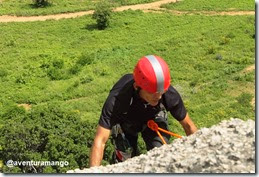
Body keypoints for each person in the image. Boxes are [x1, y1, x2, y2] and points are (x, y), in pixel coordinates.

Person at [89, 55, 198, 167]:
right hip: (125, 122)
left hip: (154, 118)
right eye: (153, 92)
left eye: (161, 91)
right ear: (137, 87)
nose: (159, 96)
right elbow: (100, 140)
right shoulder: (118, 99)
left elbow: (188, 126)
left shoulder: (168, 94)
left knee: (161, 154)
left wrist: (200, 158)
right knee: (124, 162)